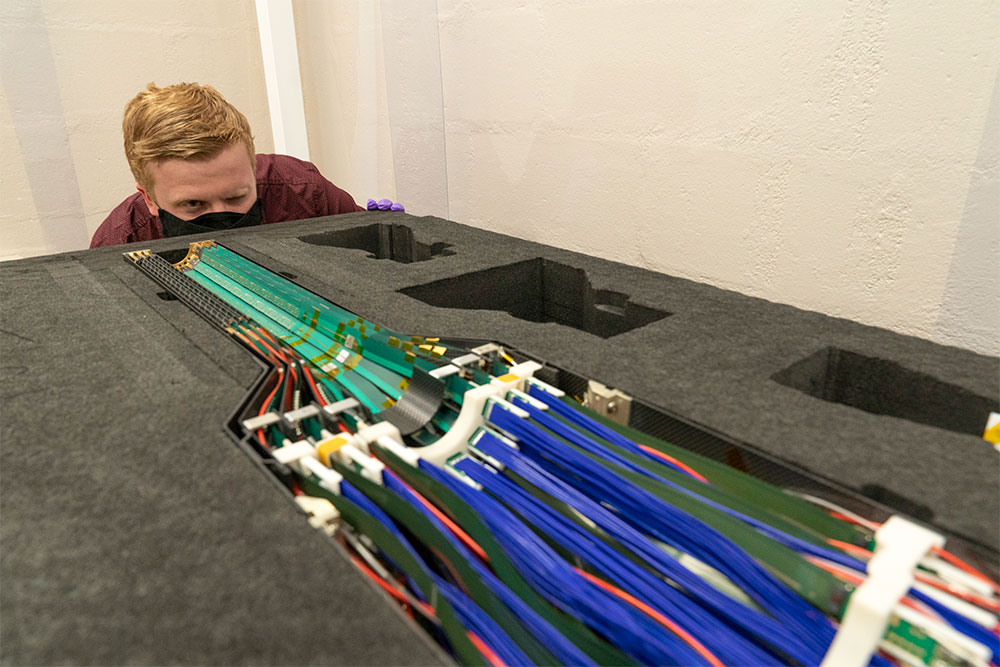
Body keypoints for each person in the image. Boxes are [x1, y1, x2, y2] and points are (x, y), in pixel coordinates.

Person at [90, 82, 375, 248]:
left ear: (253, 170)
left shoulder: (303, 191)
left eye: (236, 196)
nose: (222, 217)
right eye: (193, 204)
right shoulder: (119, 243)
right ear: (149, 199)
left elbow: (375, 249)